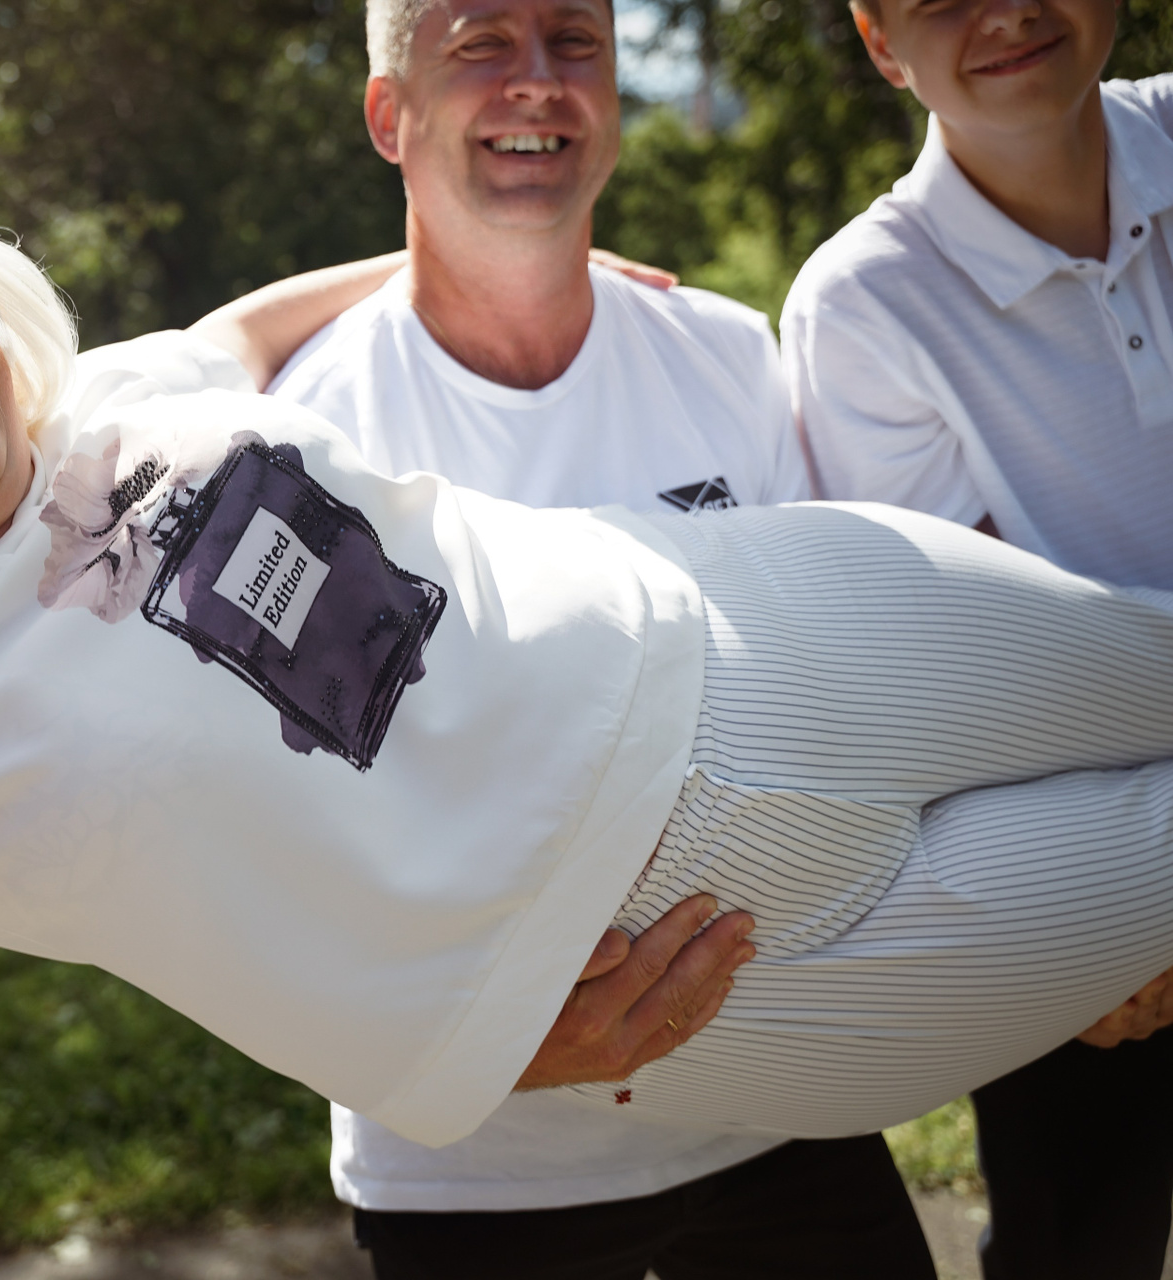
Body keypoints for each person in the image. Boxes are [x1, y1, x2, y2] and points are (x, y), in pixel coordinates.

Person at [0, 134, 1173, 1160]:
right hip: (713, 994)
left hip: (771, 637)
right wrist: (472, 1041)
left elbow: (249, 328)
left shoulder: (112, 399)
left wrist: (537, 259)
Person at [265, 0, 933, 1269]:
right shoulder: (305, 436)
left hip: (780, 1109)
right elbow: (280, 842)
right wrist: (479, 1034)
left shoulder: (731, 356)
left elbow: (845, 694)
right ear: (389, 115)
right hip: (476, 1164)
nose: (538, 82)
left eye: (575, 42)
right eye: (481, 47)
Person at [781, 0, 1173, 1273]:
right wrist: (1128, 928)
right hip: (1096, 882)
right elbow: (992, 676)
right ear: (879, 39)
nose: (1003, 12)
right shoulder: (863, 304)